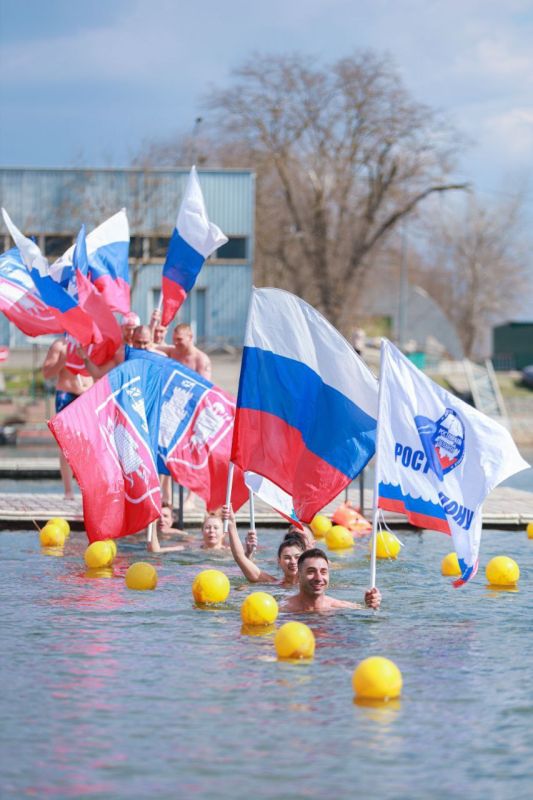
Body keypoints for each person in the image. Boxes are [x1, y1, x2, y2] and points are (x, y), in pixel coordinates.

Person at [42, 338, 93, 499]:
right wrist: (62, 362)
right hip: (67, 394)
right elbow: (46, 373)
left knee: (89, 443)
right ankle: (68, 491)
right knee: (66, 445)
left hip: (88, 395)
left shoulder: (94, 343)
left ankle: (88, 489)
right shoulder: (60, 345)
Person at [223, 505, 305, 586]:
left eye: (297, 557)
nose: (293, 562)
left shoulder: (314, 584)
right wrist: (231, 525)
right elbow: (239, 557)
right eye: (287, 557)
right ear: (279, 561)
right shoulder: (272, 583)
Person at [281, 548, 381, 613]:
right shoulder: (284, 610)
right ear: (299, 576)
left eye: (323, 572)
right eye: (311, 572)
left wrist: (371, 604)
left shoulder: (338, 606)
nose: (319, 578)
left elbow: (366, 610)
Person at [150, 310, 211, 379]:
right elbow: (149, 346)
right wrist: (152, 325)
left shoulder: (201, 359)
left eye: (179, 339)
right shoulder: (172, 351)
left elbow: (205, 386)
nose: (176, 343)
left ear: (190, 337)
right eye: (174, 339)